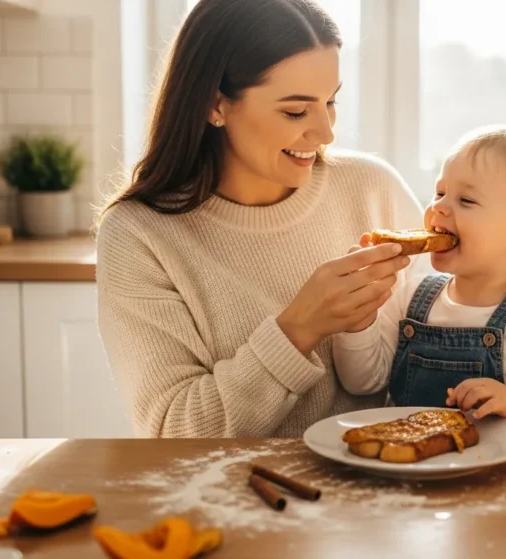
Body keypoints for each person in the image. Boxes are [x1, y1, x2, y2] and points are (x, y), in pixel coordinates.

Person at [95, 0, 427, 438]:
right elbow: (173, 433)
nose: (326, 132)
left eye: (330, 102)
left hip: (378, 493)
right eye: (295, 111)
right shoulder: (139, 235)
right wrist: (299, 327)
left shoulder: (372, 188)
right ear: (215, 104)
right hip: (225, 497)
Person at [332, 126, 506, 435]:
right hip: (415, 468)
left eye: (466, 200)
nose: (437, 207)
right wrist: (357, 319)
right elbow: (362, 382)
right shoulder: (410, 295)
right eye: (440, 193)